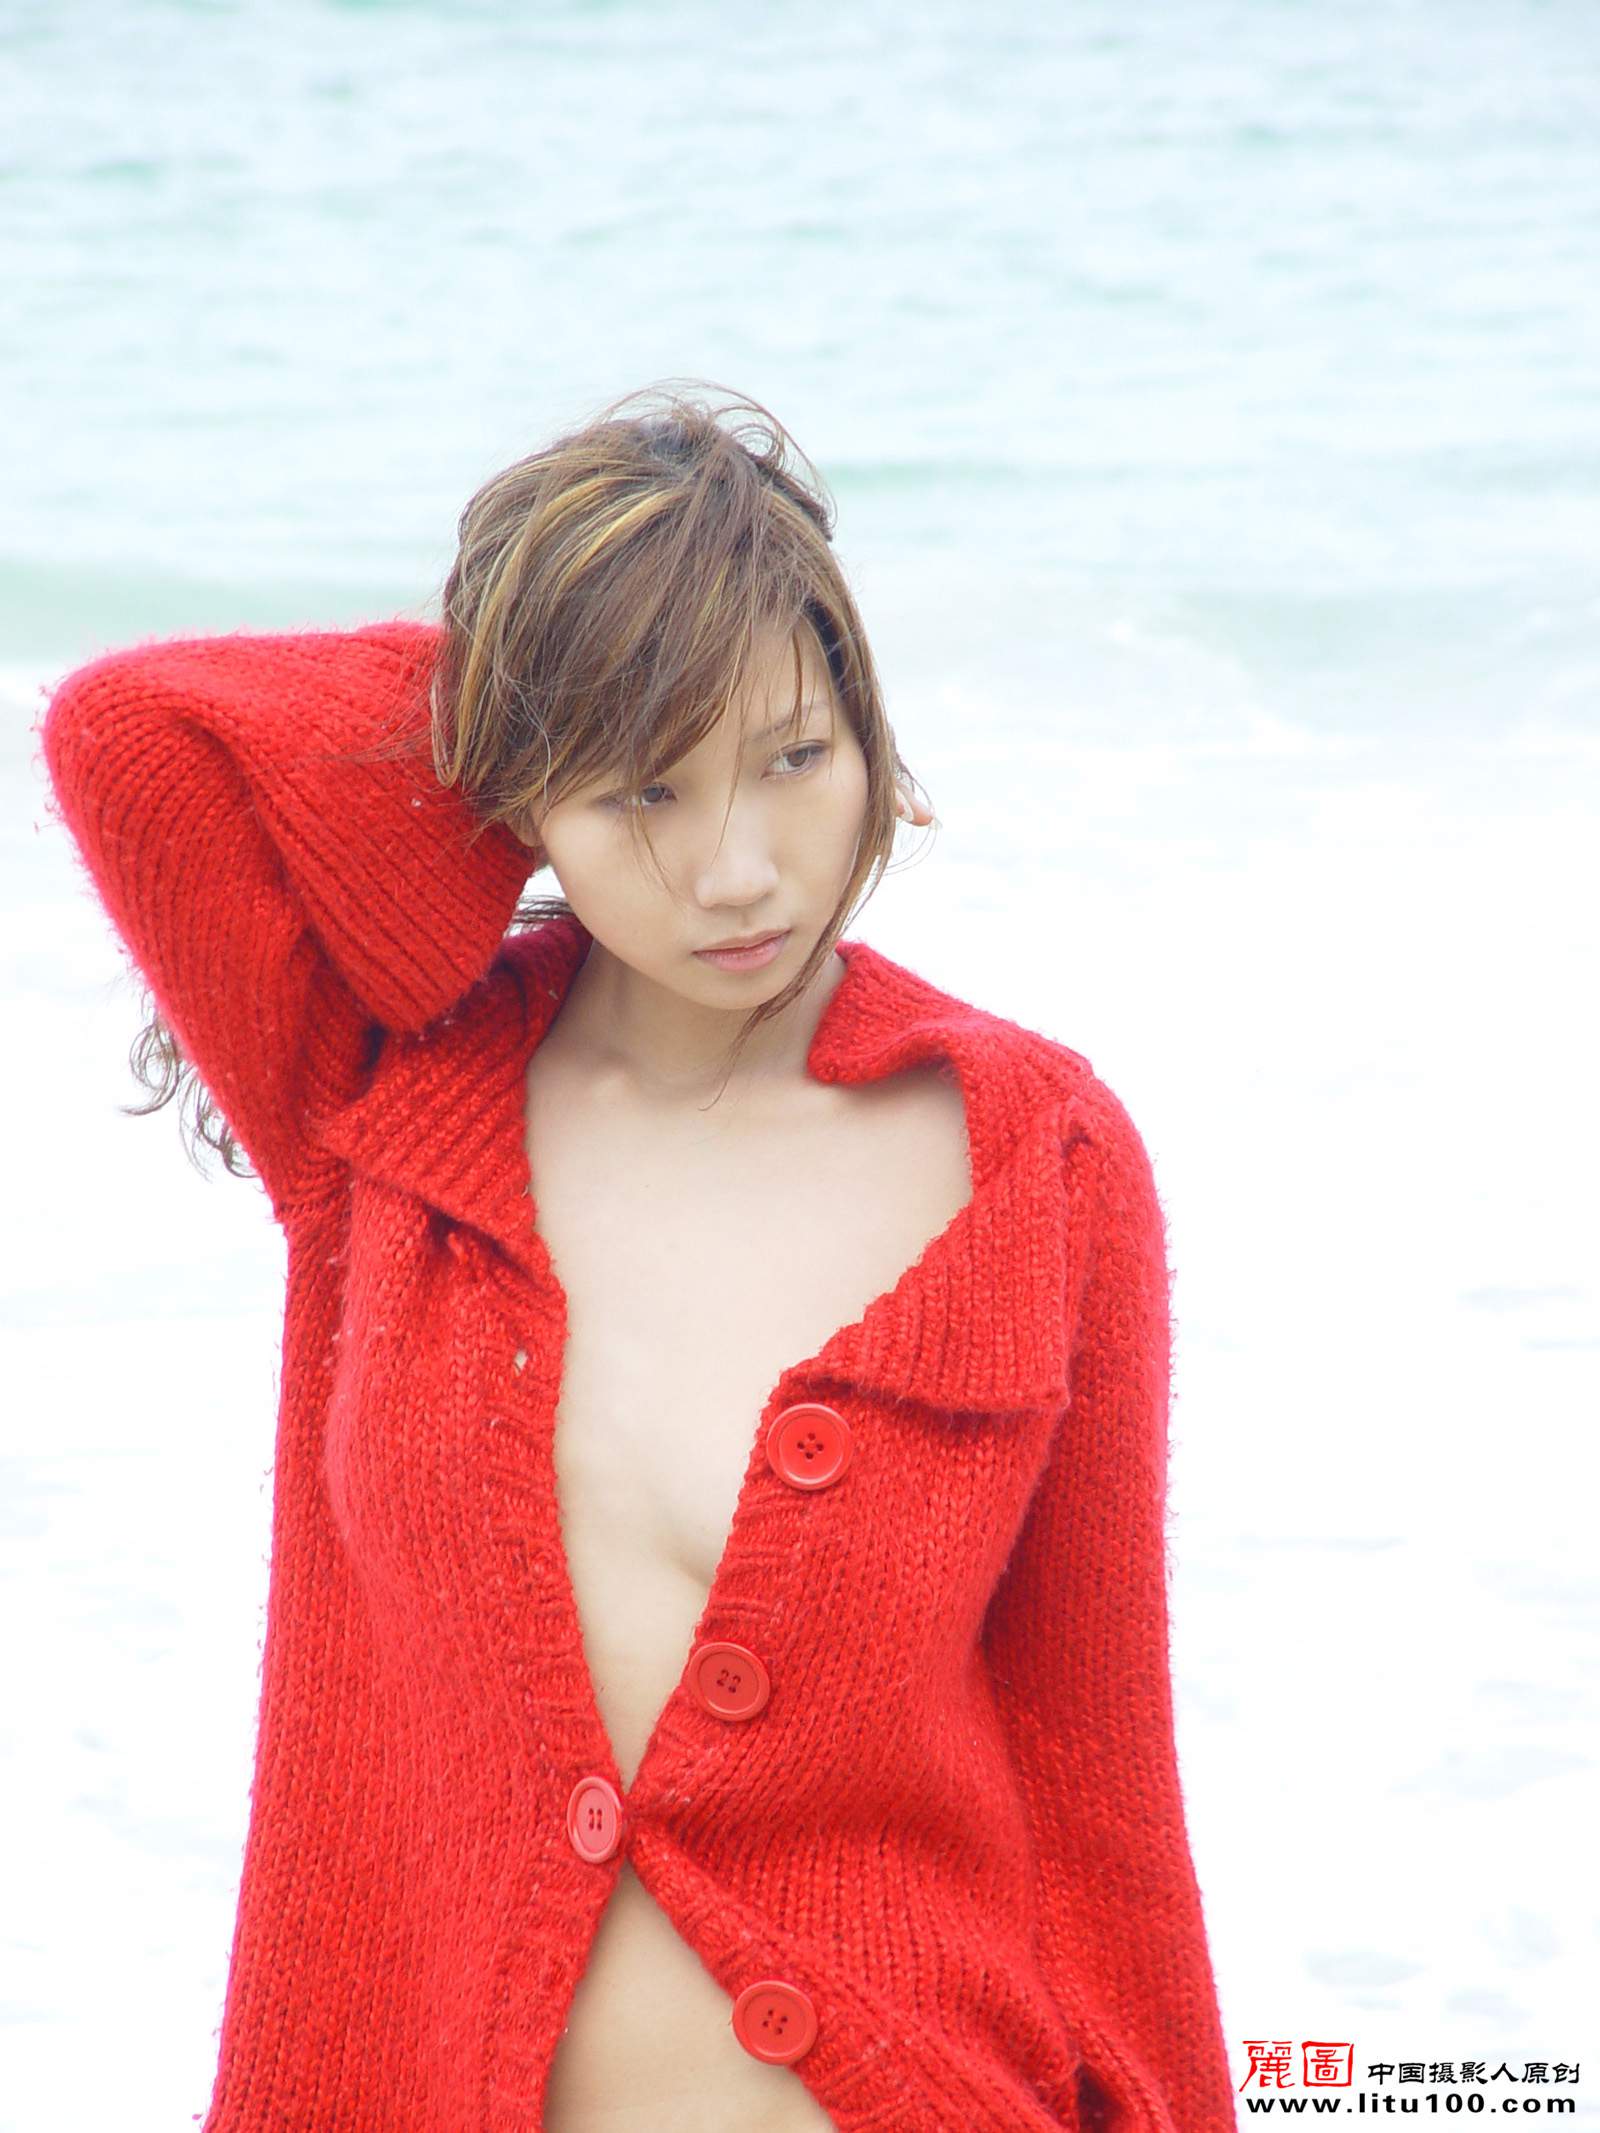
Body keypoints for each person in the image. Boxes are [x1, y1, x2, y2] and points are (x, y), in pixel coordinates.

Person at [37, 381, 1236, 2133]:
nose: (736, 871)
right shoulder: (379, 1122)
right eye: (640, 792)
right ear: (523, 799)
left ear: (868, 722)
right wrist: (550, 665)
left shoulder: (1034, 1163)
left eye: (795, 756)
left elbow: (1103, 1796)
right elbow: (135, 735)